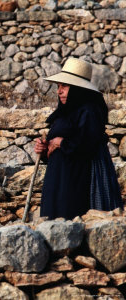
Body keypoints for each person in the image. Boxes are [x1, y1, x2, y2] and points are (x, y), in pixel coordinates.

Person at [34, 57, 123, 220]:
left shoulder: (89, 111)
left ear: (77, 89)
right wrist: (46, 149)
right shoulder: (65, 112)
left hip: (77, 183)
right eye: (58, 86)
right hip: (59, 182)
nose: (59, 91)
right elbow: (59, 148)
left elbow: (87, 144)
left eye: (64, 86)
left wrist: (62, 142)